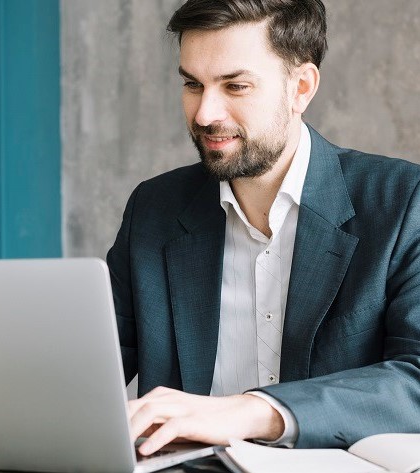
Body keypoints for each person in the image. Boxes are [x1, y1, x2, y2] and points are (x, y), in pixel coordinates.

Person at [107, 0, 420, 456]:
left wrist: (252, 410)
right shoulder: (154, 209)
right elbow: (84, 374)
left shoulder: (403, 201)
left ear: (301, 87)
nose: (204, 114)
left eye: (235, 86)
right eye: (193, 84)